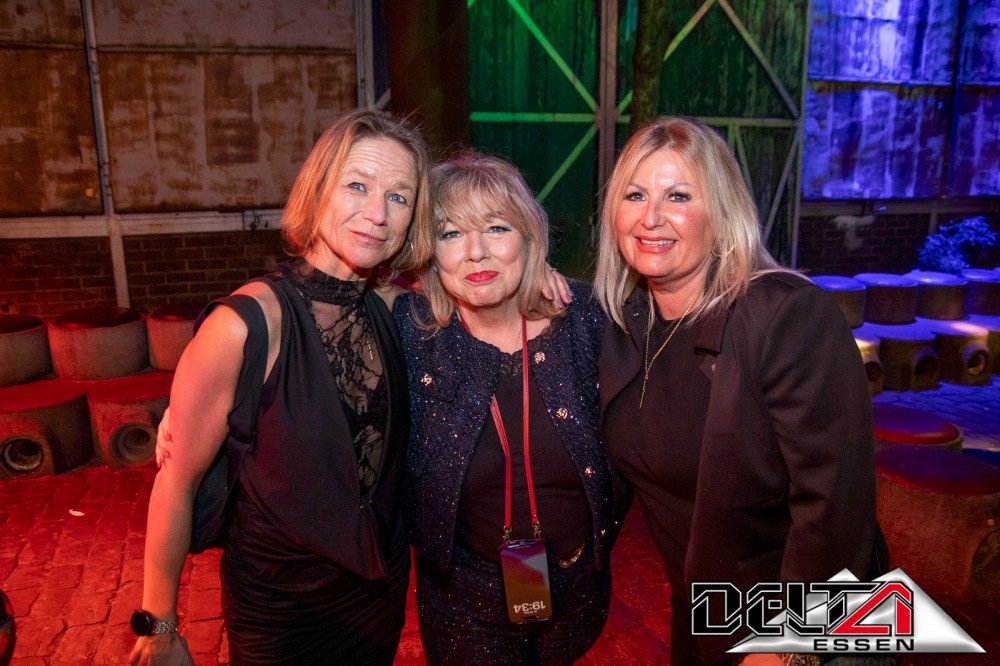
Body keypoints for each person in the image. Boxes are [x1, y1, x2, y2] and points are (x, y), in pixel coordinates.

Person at [129, 108, 431, 665]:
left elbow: (489, 290)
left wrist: (541, 278)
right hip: (284, 612)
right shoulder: (244, 326)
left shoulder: (396, 310)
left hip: (380, 591)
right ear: (317, 189)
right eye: (357, 185)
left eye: (399, 197)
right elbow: (176, 483)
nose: (377, 214)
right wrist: (160, 630)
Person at [594, 117, 886, 665]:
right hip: (704, 613)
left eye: (678, 196)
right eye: (634, 195)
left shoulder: (785, 315)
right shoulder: (625, 322)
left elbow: (835, 503)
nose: (650, 217)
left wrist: (791, 646)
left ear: (722, 212)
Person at [392, 151, 621, 665]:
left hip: (578, 589)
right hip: (462, 602)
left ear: (530, 237)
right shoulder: (410, 328)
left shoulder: (586, 318)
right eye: (450, 234)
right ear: (428, 251)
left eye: (497, 228)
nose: (476, 252)